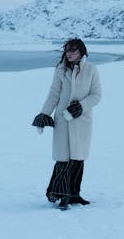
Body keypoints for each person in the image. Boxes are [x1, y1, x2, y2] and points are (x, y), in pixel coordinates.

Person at [31, 38, 102, 210]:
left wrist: (81, 106)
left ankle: (74, 194)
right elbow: (54, 94)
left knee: (78, 159)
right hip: (63, 120)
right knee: (63, 159)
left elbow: (96, 95)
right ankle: (61, 196)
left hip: (82, 121)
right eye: (67, 51)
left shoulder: (91, 70)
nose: (69, 54)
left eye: (73, 51)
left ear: (81, 52)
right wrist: (44, 113)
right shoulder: (61, 70)